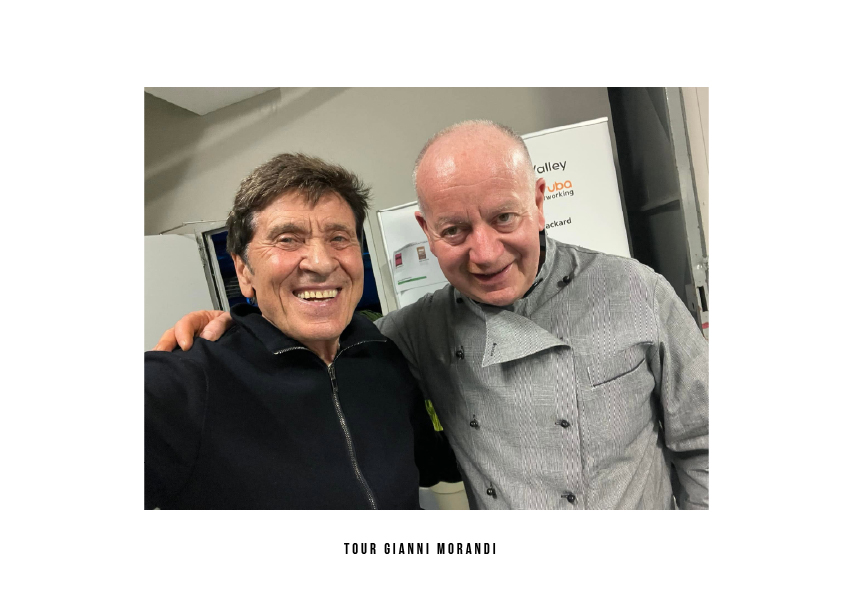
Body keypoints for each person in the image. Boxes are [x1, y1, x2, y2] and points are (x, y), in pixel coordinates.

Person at [158, 121, 709, 510]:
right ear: (427, 232)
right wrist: (230, 328)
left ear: (540, 203)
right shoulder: (408, 334)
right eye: (454, 230)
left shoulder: (635, 290)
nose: (485, 253)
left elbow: (708, 441)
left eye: (505, 217)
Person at [145, 153, 458, 509]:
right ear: (244, 271)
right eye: (287, 239)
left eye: (339, 237)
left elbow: (428, 462)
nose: (321, 263)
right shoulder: (184, 383)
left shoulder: (381, 355)